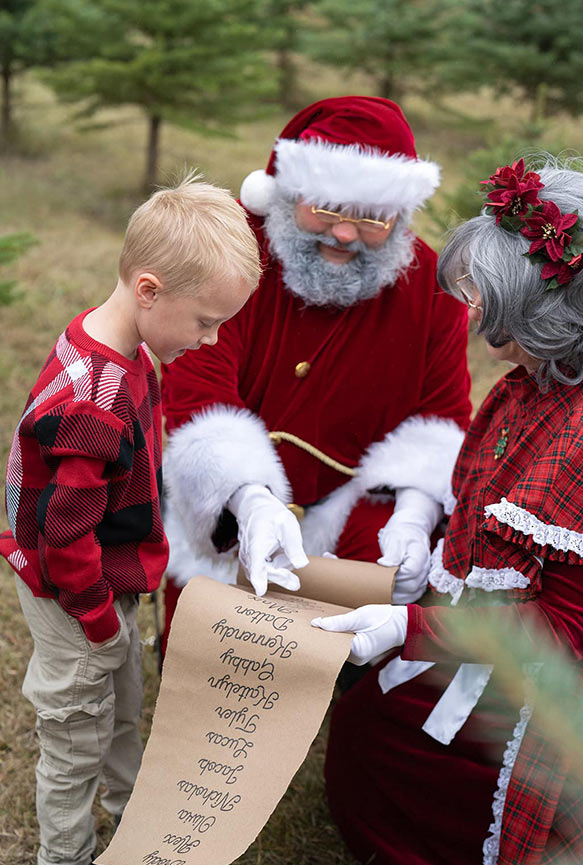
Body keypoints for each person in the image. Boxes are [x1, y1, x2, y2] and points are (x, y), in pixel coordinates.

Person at [313, 158, 583, 865]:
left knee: (386, 752)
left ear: (552, 320)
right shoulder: (577, 355)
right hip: (526, 629)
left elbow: (564, 632)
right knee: (376, 725)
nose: (474, 324)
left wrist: (412, 629)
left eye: (490, 308)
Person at [0, 175, 260, 865]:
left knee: (120, 703)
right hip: (75, 588)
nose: (210, 340)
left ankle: (135, 819)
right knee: (77, 728)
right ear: (149, 290)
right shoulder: (97, 401)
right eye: (205, 322)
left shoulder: (130, 350)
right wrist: (90, 617)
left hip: (110, 577)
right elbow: (62, 530)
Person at [161, 96, 472, 653]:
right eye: (325, 207)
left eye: (372, 217)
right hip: (235, 502)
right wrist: (250, 499)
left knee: (363, 640)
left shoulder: (431, 284)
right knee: (200, 651)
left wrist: (413, 517)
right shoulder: (232, 250)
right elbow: (196, 392)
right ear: (288, 192)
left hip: (349, 499)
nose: (345, 234)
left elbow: (440, 419)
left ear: (399, 216)